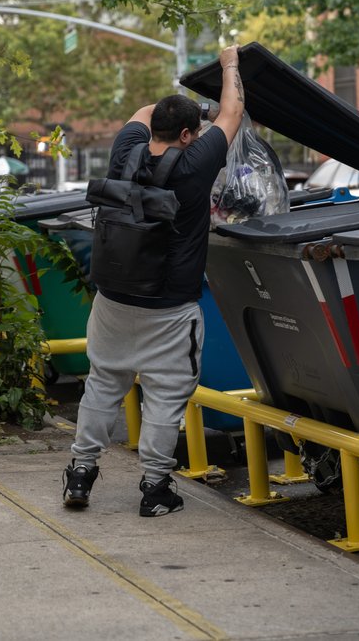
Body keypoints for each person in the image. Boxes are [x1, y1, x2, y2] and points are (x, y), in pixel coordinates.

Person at [62, 45, 245, 516]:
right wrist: (229, 64)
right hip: (169, 308)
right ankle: (155, 488)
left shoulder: (125, 152)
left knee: (103, 385)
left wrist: (184, 110)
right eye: (193, 131)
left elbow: (144, 112)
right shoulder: (195, 163)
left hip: (113, 301)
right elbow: (235, 110)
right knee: (165, 396)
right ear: (187, 134)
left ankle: (80, 474)